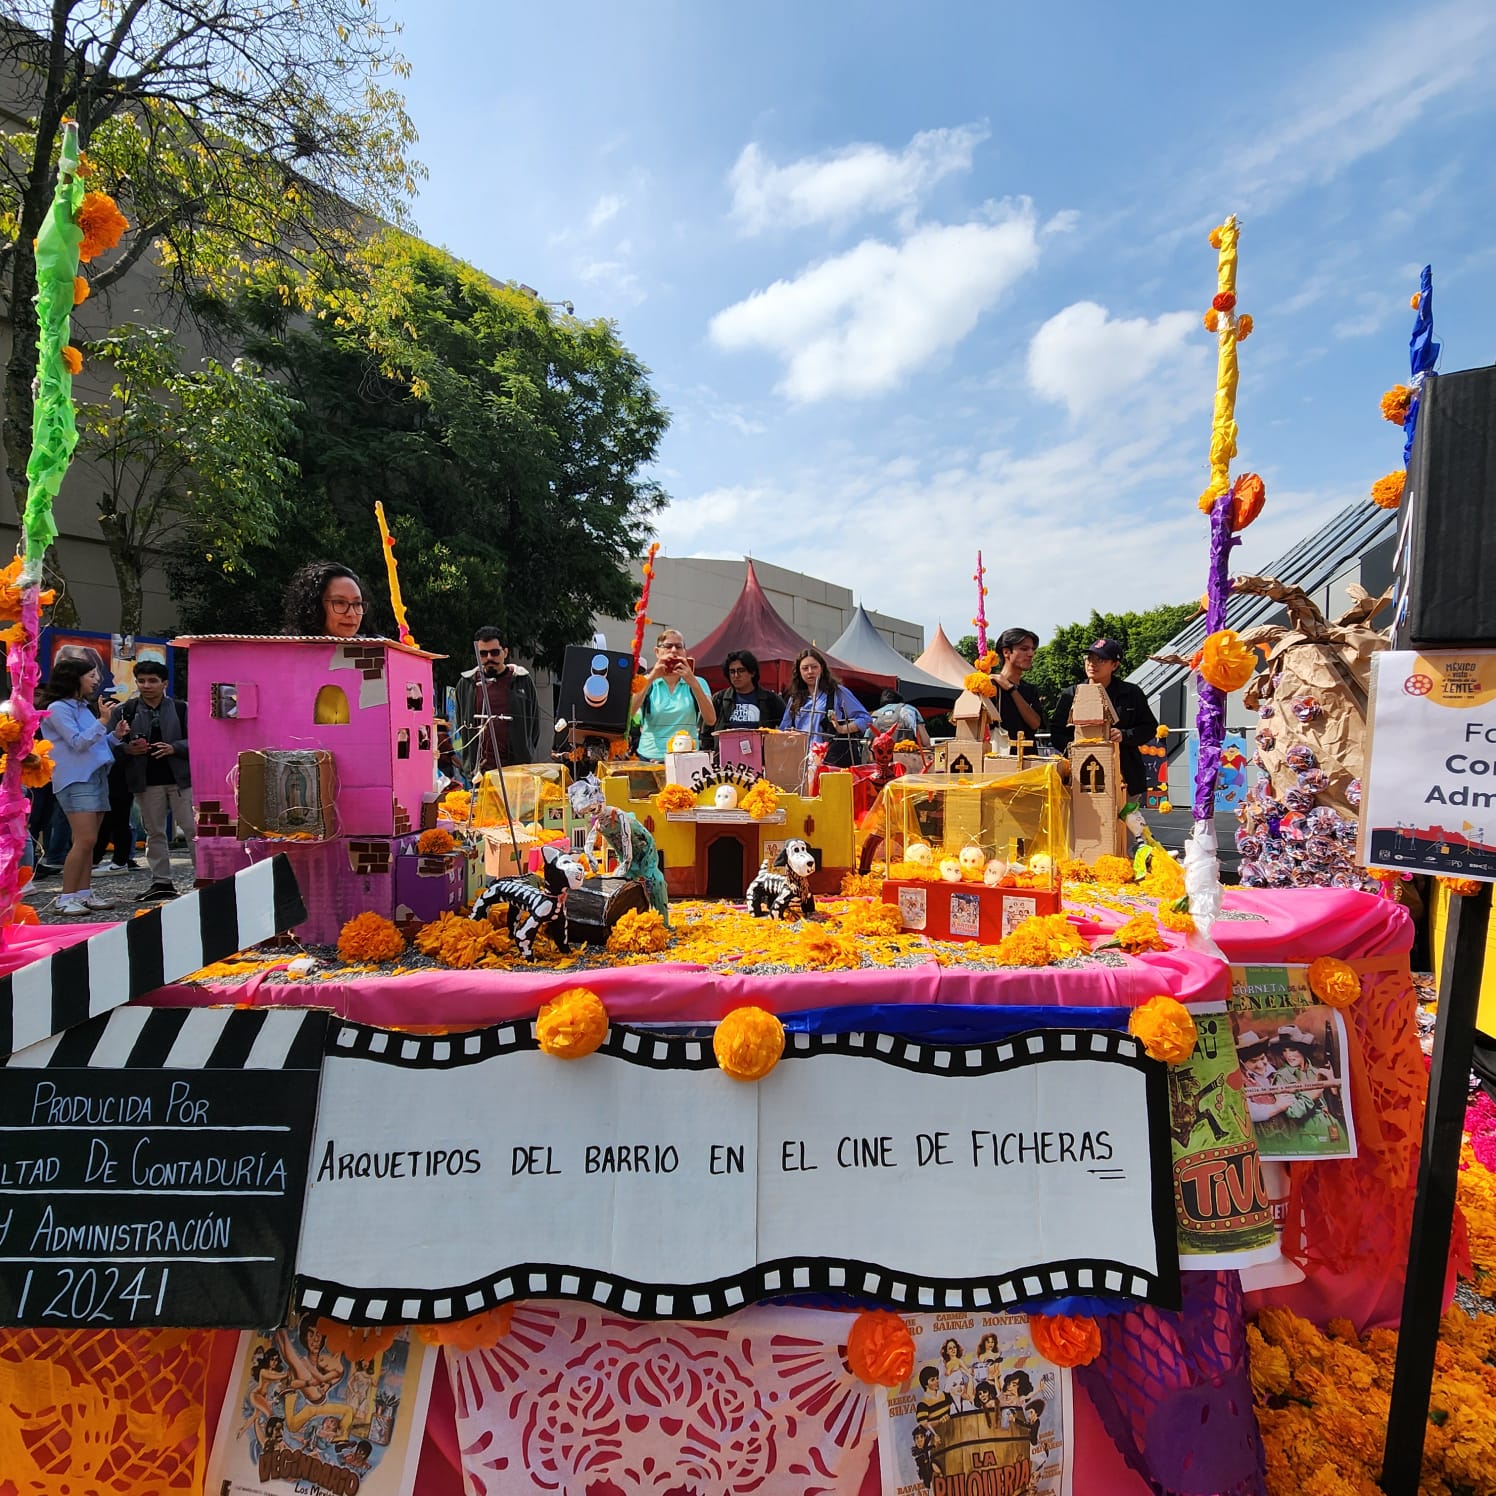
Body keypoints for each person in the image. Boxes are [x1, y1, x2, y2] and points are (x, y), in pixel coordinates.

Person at [38, 656, 131, 915]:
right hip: (76, 779)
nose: (96, 681)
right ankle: (65, 897)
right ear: (74, 678)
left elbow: (95, 745)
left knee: (89, 841)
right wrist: (102, 721)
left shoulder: (80, 707)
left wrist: (115, 735)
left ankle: (83, 893)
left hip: (95, 775)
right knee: (84, 839)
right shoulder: (58, 708)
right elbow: (78, 743)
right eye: (91, 676)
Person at [108, 658, 193, 903]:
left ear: (164, 683)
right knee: (154, 832)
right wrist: (128, 749)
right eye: (142, 681)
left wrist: (174, 748)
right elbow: (108, 744)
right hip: (145, 780)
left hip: (180, 779)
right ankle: (161, 882)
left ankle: (204, 880)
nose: (147, 685)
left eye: (152, 681)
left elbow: (199, 739)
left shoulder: (181, 708)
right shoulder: (124, 710)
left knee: (192, 829)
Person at [1049, 638, 1159, 804]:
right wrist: (1076, 746)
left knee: (1125, 827)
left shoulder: (1131, 693)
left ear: (1114, 665)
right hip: (1082, 777)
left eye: (1100, 659)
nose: (1092, 664)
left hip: (1125, 775)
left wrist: (1124, 735)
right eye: (1089, 658)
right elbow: (1057, 732)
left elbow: (1150, 727)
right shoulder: (1071, 694)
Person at [455, 627, 539, 774]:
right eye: (483, 653)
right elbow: (462, 723)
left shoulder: (521, 680)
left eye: (494, 652)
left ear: (505, 652)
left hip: (516, 771)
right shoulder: (466, 684)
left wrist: (525, 752)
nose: (489, 658)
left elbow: (534, 725)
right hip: (480, 773)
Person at [630, 627, 716, 761]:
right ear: (657, 652)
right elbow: (628, 713)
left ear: (685, 652)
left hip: (687, 757)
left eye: (679, 646)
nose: (674, 651)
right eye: (668, 646)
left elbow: (711, 719)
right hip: (650, 758)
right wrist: (652, 676)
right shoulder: (647, 682)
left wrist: (693, 683)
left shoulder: (698, 682)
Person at [779, 647, 870, 768]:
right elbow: (783, 730)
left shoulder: (838, 692)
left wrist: (842, 729)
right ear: (799, 672)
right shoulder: (794, 698)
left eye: (814, 667)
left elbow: (865, 719)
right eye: (805, 668)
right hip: (802, 762)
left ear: (822, 668)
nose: (810, 671)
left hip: (832, 760)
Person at [707, 649, 786, 746]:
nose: (736, 675)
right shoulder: (719, 699)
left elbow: (787, 728)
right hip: (725, 756)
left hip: (761, 756)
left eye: (741, 670)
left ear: (752, 672)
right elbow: (706, 732)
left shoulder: (771, 699)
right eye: (732, 672)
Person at [281, 560, 369, 638]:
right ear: (315, 606)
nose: (352, 613)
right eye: (340, 602)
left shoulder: (379, 650)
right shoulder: (287, 653)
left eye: (357, 603)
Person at [991, 627, 1045, 742]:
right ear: (1006, 652)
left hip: (1029, 757)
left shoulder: (1030, 689)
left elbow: (1035, 723)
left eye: (1032, 649)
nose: (1031, 654)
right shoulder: (990, 686)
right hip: (999, 756)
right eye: (1024, 649)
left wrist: (1011, 689)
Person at [867, 687, 931, 750]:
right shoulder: (909, 710)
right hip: (905, 754)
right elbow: (925, 741)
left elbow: (867, 742)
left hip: (880, 756)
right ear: (901, 701)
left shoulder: (874, 714)